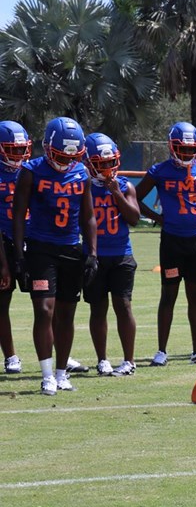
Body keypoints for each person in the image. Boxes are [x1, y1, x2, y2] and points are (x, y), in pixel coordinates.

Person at [12, 116, 95, 395]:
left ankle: (62, 373)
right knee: (43, 310)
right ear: (47, 147)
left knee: (67, 314)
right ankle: (47, 374)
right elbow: (19, 215)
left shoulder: (81, 172)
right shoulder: (31, 170)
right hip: (41, 248)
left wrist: (92, 253)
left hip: (71, 248)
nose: (64, 161)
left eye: (69, 156)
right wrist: (19, 254)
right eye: (59, 155)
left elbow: (89, 216)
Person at [135, 121, 196, 366]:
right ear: (172, 146)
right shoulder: (159, 170)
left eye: (191, 149)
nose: (187, 153)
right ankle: (162, 351)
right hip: (172, 242)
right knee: (169, 294)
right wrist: (157, 218)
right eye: (182, 148)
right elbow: (134, 196)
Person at [81, 133, 140, 377]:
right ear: (89, 163)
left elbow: (135, 218)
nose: (107, 168)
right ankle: (102, 360)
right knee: (98, 308)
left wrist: (116, 193)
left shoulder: (125, 185)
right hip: (94, 255)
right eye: (101, 163)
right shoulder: (82, 186)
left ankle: (129, 360)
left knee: (124, 306)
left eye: (110, 162)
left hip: (121, 254)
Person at [0, 120, 30, 374]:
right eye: (13, 149)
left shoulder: (31, 171)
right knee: (2, 302)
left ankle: (57, 353)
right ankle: (10, 356)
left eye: (22, 149)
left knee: (47, 300)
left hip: (34, 242)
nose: (19, 154)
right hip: (4, 243)